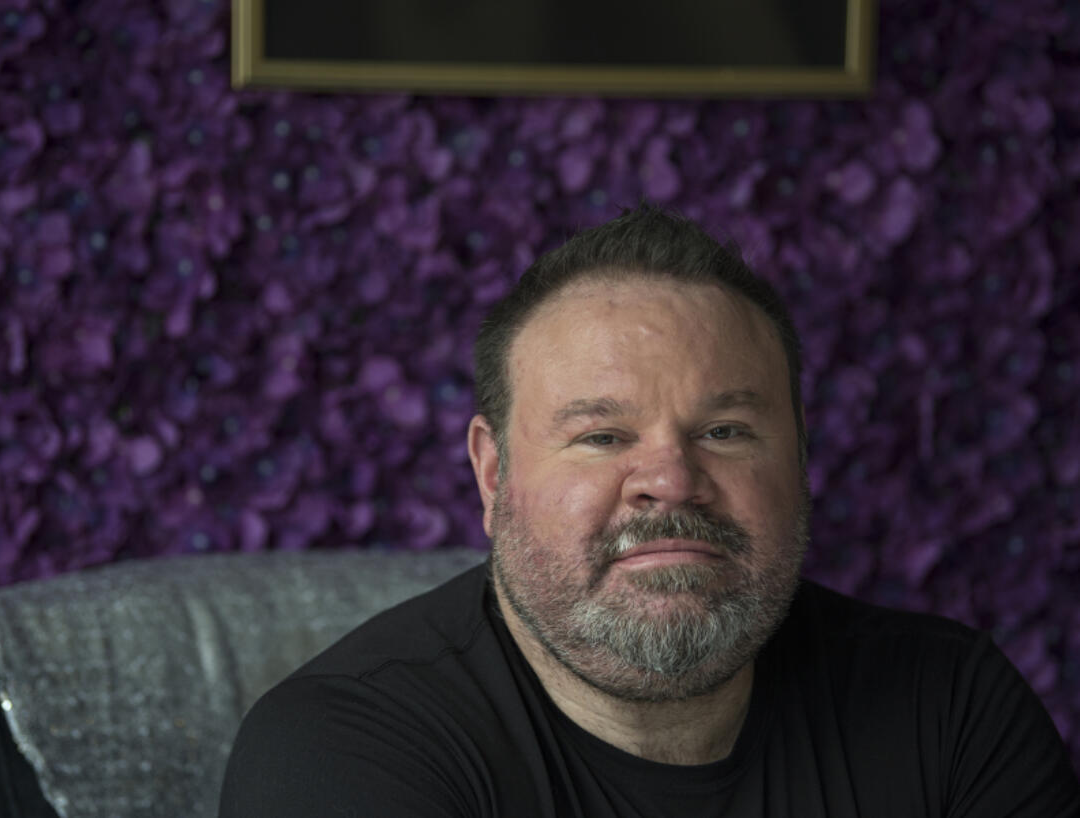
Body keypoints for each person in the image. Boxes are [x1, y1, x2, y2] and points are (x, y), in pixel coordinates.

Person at [220, 205, 1080, 817]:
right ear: (493, 474)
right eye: (600, 436)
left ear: (801, 457)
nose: (670, 479)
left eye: (726, 429)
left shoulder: (950, 706)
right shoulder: (343, 754)